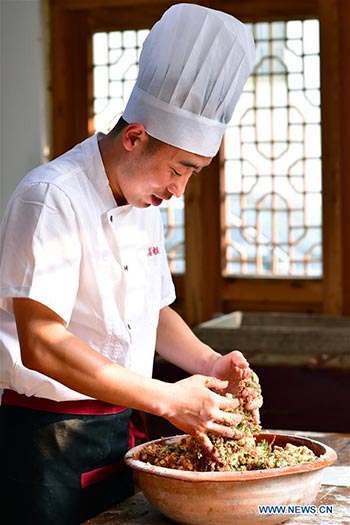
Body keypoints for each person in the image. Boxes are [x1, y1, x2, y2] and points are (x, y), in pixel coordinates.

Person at [0, 3, 261, 524]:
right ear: (135, 138)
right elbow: (41, 342)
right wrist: (166, 399)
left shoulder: (143, 198)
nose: (179, 190)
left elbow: (152, 312)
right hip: (47, 440)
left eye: (195, 174)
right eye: (179, 169)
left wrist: (209, 365)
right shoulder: (50, 196)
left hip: (120, 431)